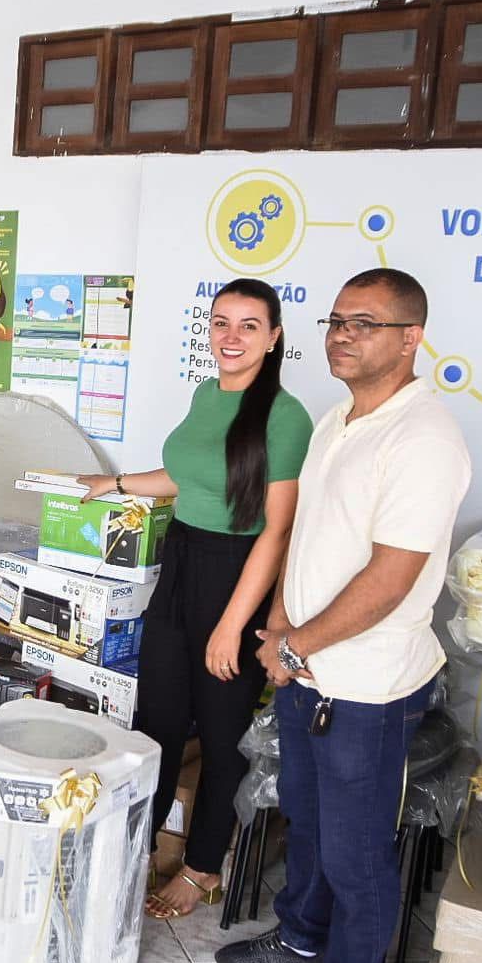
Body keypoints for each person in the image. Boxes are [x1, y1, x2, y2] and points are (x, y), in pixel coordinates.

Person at [214, 269, 471, 963]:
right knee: (309, 818)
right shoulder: (337, 419)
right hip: (307, 671)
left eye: (365, 323)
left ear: (410, 339)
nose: (342, 335)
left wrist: (296, 648)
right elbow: (307, 535)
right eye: (335, 321)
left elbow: (390, 578)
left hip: (367, 686)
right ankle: (298, 938)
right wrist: (283, 629)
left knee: (357, 853)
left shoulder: (424, 437)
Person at [78, 277, 311, 919]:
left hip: (238, 574)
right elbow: (185, 478)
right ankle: (135, 846)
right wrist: (117, 482)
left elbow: (276, 529)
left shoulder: (286, 418)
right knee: (155, 721)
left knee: (222, 732)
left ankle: (204, 865)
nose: (230, 337)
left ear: (274, 336)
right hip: (180, 560)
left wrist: (232, 626)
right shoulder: (207, 393)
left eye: (248, 326)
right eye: (220, 323)